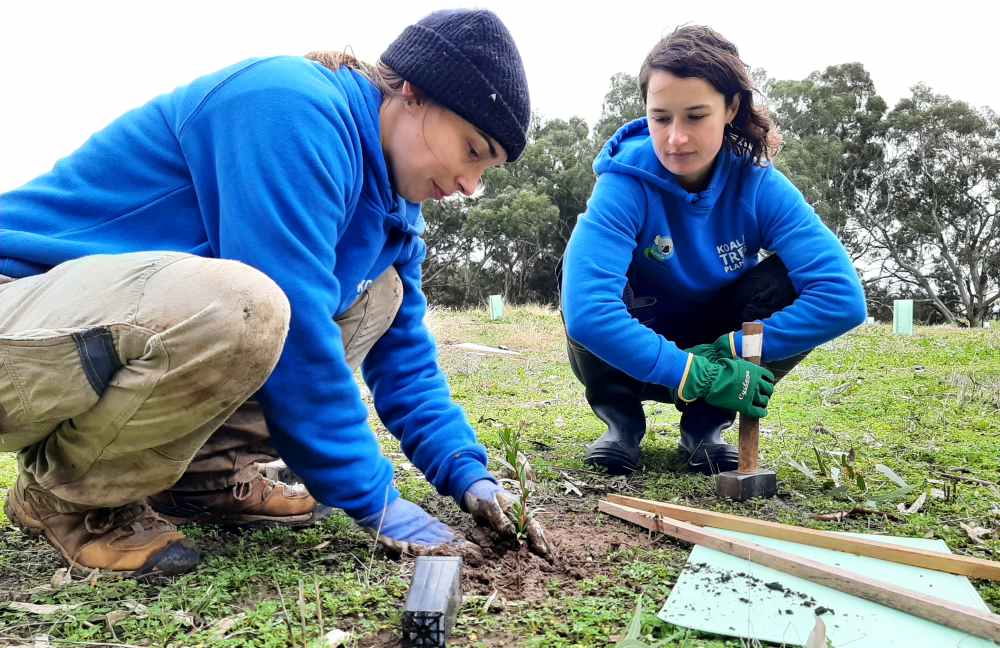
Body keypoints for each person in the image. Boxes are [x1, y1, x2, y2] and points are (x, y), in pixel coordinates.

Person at [0, 8, 548, 578]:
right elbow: (299, 335)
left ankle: (206, 479)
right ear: (413, 94)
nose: (469, 185)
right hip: (19, 311)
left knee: (375, 295)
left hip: (98, 337)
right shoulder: (291, 106)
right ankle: (68, 496)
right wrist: (378, 502)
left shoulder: (393, 213)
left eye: (488, 170)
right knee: (247, 307)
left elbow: (406, 361)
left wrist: (469, 475)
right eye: (472, 150)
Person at [561, 25, 866, 476]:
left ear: (731, 108)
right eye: (661, 117)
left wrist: (730, 353)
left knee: (784, 280)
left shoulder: (759, 185)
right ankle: (621, 422)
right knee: (579, 268)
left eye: (696, 116)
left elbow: (842, 299)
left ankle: (705, 427)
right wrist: (691, 372)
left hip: (718, 339)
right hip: (635, 339)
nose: (675, 138)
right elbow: (588, 312)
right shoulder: (623, 184)